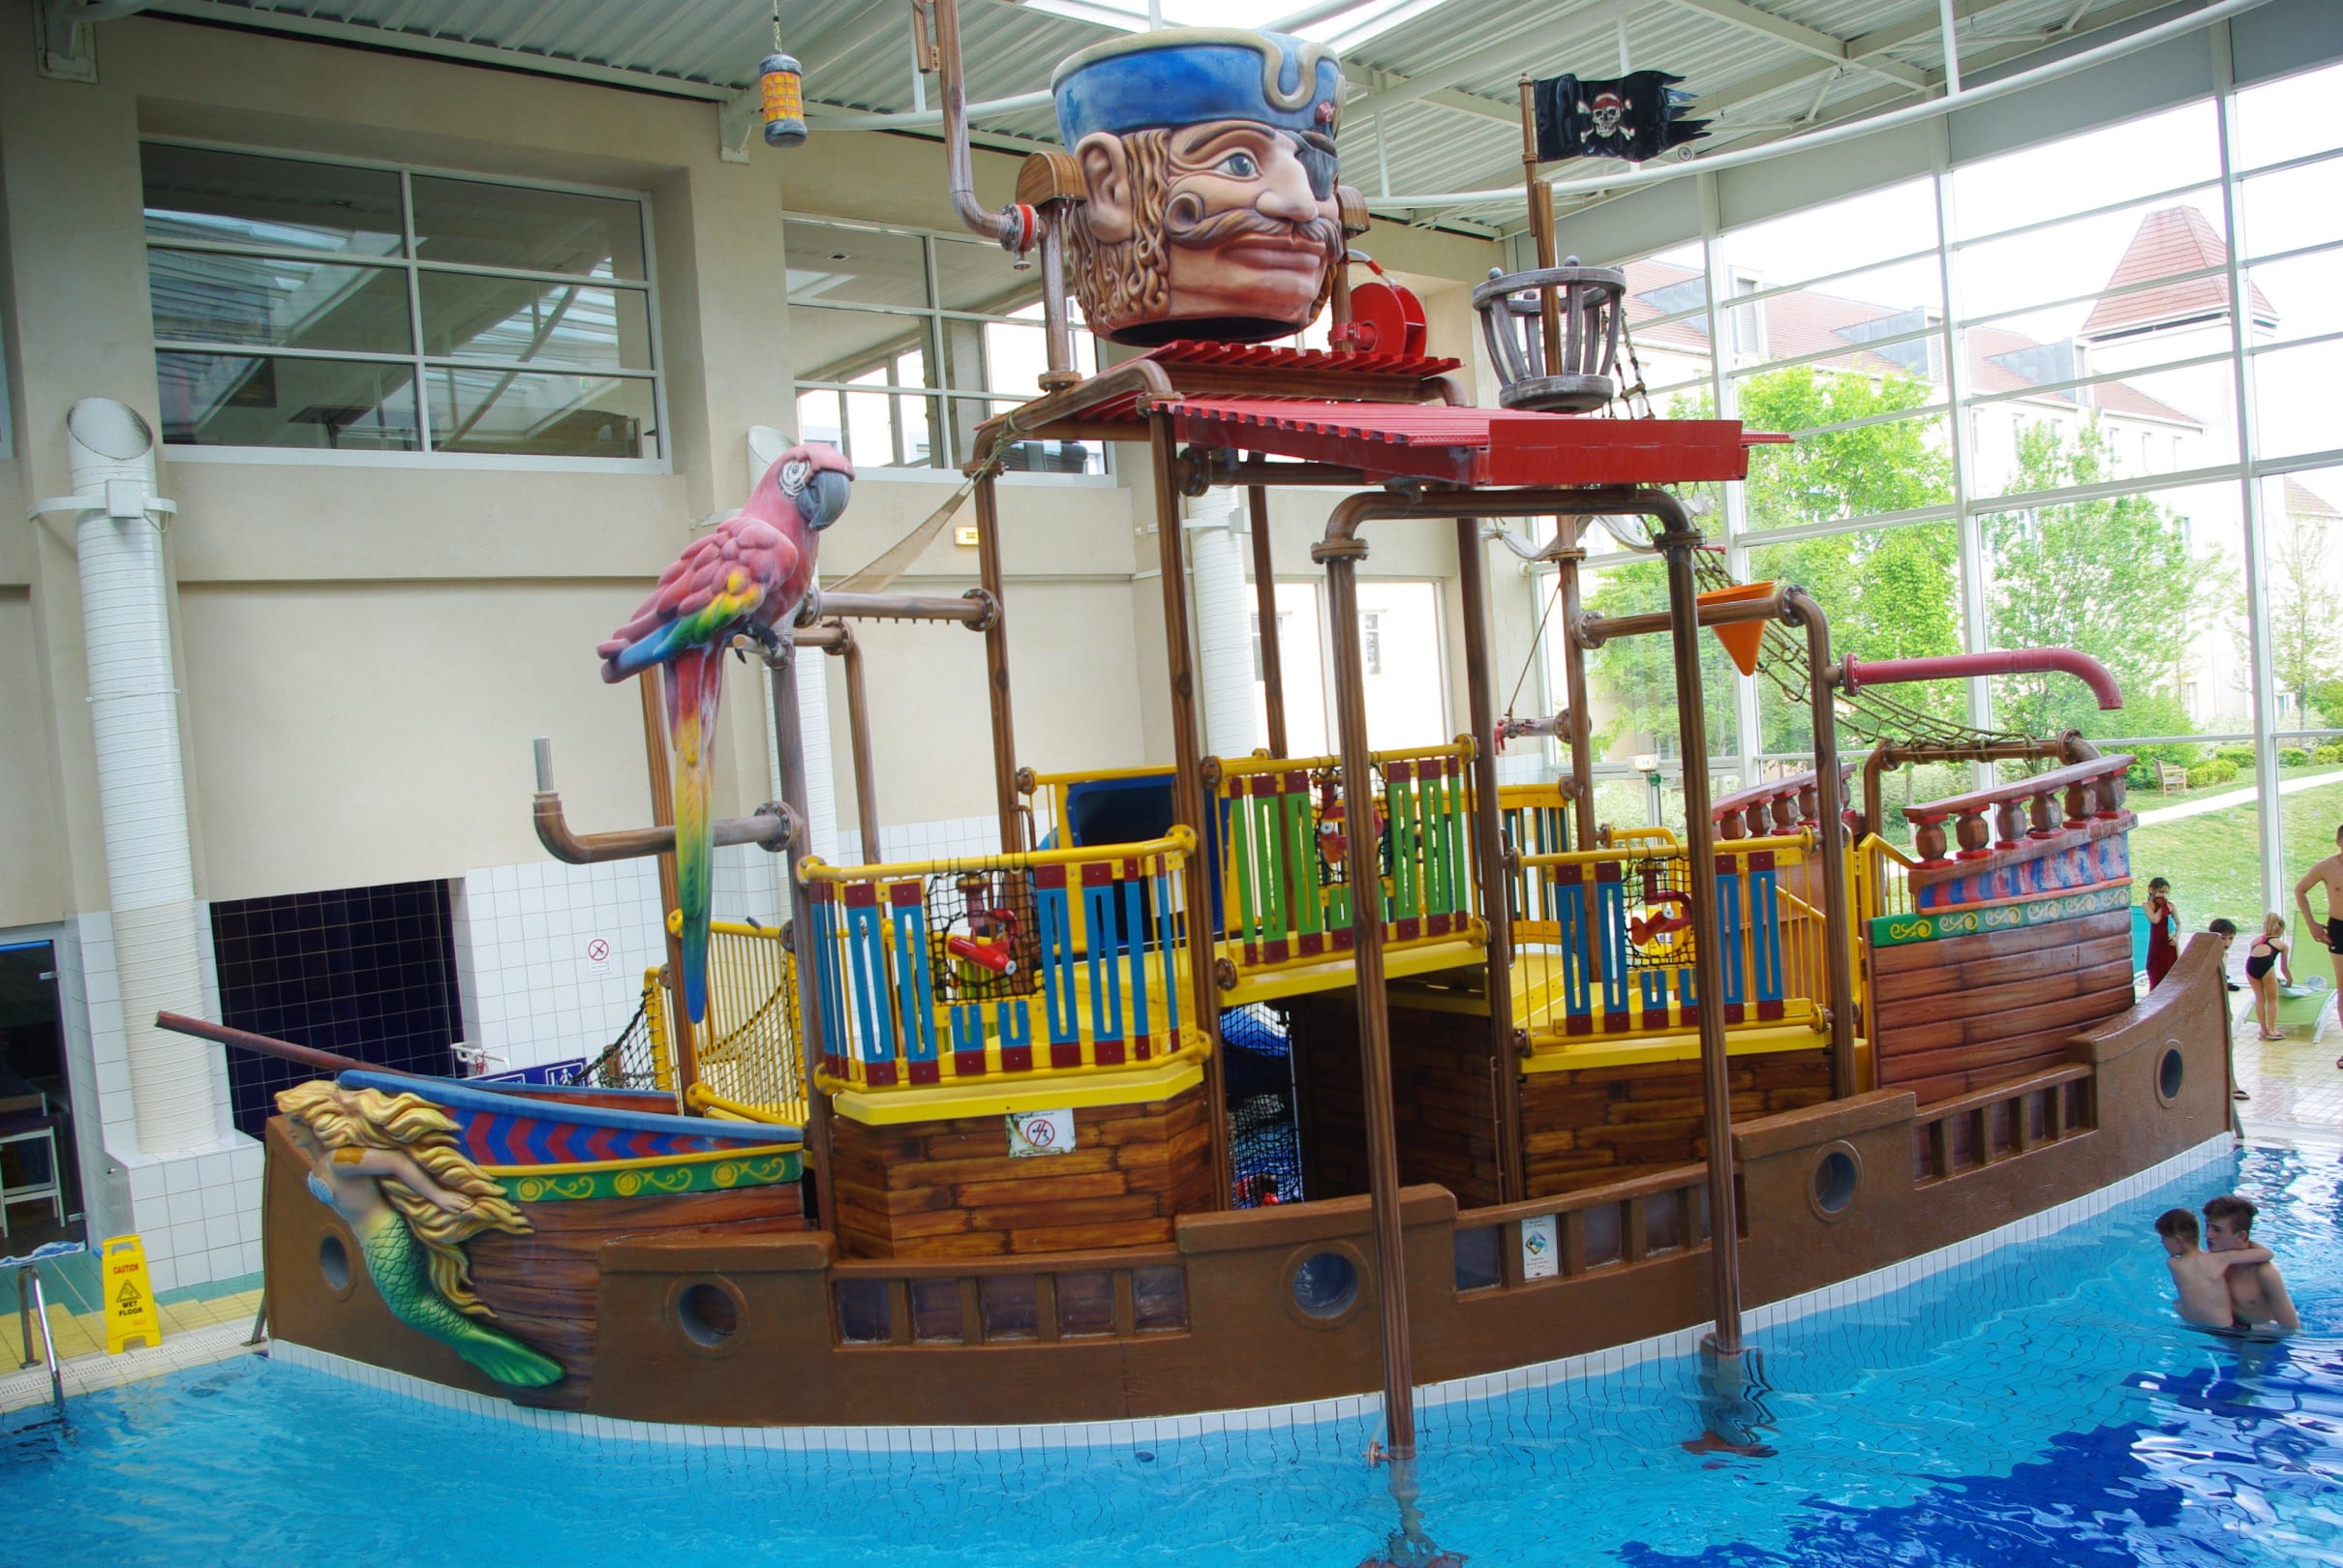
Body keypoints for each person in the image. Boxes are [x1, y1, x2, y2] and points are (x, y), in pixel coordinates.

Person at [2156, 1207, 2276, 1329]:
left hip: (2193, 1325)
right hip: (2226, 1329)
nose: (2162, 1242)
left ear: (2178, 1240)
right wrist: (2246, 1240)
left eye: (2163, 1238)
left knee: (2176, 1304)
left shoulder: (2173, 1264)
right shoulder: (2218, 1259)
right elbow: (2267, 1254)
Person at [2204, 1193, 2298, 1334]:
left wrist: (2248, 1331)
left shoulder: (2264, 1273)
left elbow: (2291, 1329)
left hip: (2262, 1339)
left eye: (2217, 1230)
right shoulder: (2208, 1263)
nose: (2208, 1235)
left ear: (2241, 1236)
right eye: (2207, 1226)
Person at [2293, 823, 2343, 1062]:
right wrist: (2311, 923)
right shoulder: (2327, 867)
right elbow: (2300, 890)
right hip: (2339, 928)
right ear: (2338, 842)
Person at [2245, 916, 2295, 1043]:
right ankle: (2272, 1030)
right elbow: (2284, 968)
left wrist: (2272, 977)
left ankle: (2263, 1031)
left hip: (2250, 966)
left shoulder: (2255, 940)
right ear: (2280, 929)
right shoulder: (2282, 945)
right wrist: (2289, 980)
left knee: (2260, 998)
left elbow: (2255, 958)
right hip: (2266, 964)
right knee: (2272, 998)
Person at [2145, 877, 2180, 990]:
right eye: (2161, 892)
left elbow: (2179, 924)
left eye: (2166, 893)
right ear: (2151, 890)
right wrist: (2162, 907)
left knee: (2172, 972)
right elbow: (2155, 920)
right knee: (2156, 973)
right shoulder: (2147, 905)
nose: (2163, 895)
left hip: (2170, 941)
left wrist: (2176, 937)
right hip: (2157, 943)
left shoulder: (2171, 906)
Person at [2208, 917, 2242, 993]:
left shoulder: (2224, 955)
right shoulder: (2210, 956)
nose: (2227, 942)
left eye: (2231, 938)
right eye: (2223, 938)